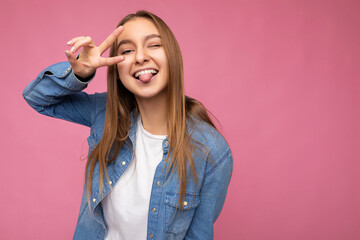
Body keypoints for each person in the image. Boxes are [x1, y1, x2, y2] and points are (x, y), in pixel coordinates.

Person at [23, 10, 233, 240]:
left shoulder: (212, 151)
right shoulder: (104, 113)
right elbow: (38, 98)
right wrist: (79, 73)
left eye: (153, 45)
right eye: (127, 51)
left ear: (172, 55)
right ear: (117, 70)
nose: (140, 57)